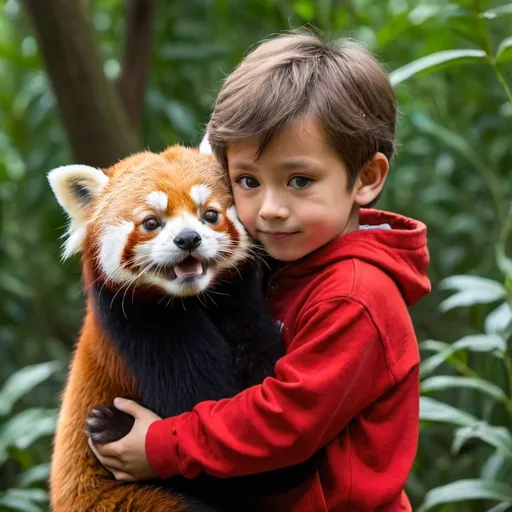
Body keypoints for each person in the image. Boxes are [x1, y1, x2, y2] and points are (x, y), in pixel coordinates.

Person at [90, 31, 431, 511]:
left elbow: (283, 424)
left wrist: (163, 446)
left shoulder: (356, 295)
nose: (270, 208)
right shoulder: (290, 260)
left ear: (366, 179)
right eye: (248, 181)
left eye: (299, 180)